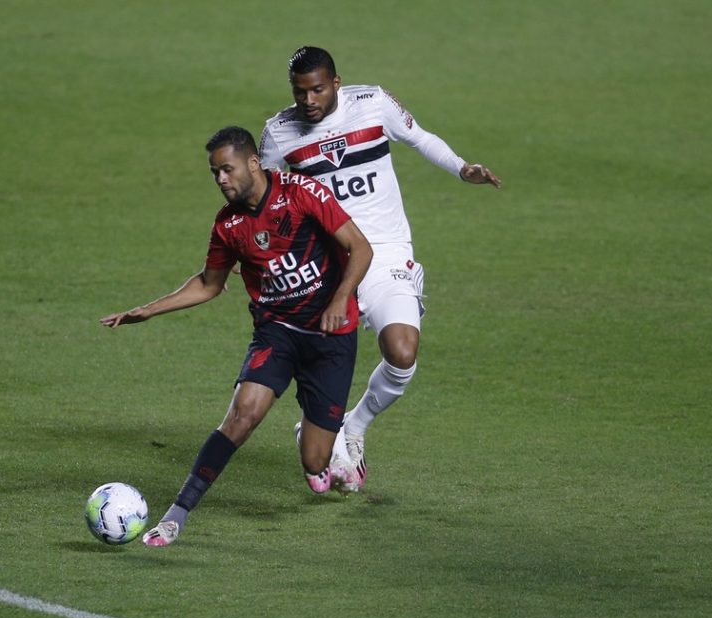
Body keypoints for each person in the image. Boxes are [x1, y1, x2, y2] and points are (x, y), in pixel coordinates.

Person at [100, 126, 372, 547]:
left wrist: (339, 300)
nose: (221, 179)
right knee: (242, 414)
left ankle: (316, 443)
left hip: (330, 336)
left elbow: (361, 247)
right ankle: (177, 515)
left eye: (226, 169)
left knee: (316, 460)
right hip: (277, 332)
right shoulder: (228, 225)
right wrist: (148, 310)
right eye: (214, 173)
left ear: (251, 163)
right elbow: (210, 283)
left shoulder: (301, 193)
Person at [260, 46, 502, 491]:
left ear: (336, 83)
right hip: (323, 264)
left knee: (402, 350)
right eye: (300, 93)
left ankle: (354, 426)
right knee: (321, 361)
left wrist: (461, 168)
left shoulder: (373, 104)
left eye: (317, 89)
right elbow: (267, 199)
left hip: (385, 251)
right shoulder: (279, 134)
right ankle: (320, 433)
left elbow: (420, 137)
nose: (309, 101)